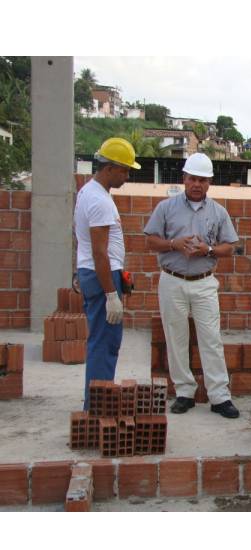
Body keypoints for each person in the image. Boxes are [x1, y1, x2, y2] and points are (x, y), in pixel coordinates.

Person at [144, 153, 240, 418]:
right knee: (176, 338)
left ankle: (219, 396)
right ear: (184, 179)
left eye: (202, 180)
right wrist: (174, 244)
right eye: (192, 178)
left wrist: (207, 249)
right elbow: (151, 240)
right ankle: (185, 392)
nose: (197, 184)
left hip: (204, 282)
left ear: (209, 182)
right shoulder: (166, 208)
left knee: (211, 339)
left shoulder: (218, 212)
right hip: (172, 279)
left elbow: (230, 247)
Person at [74, 137, 140, 409]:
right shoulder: (99, 201)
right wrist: (111, 294)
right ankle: (98, 407)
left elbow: (86, 244)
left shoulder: (90, 192)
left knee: (103, 340)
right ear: (109, 168)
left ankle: (97, 401)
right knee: (105, 343)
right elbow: (100, 253)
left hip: (98, 274)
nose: (126, 176)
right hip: (102, 277)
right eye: (124, 170)